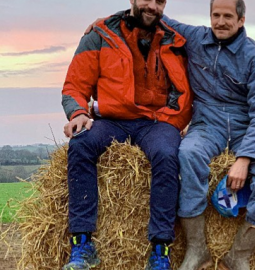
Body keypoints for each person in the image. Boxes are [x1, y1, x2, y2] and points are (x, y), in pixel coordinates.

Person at [61, 0, 192, 269]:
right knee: (81, 145)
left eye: (160, 1)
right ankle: (82, 245)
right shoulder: (101, 33)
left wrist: (175, 121)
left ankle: (160, 250)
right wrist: (78, 114)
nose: (152, 5)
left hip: (156, 122)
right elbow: (75, 84)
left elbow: (185, 92)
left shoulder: (176, 39)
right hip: (111, 120)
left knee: (168, 155)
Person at [163, 0, 255, 269]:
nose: (220, 22)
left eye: (227, 16)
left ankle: (239, 255)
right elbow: (157, 17)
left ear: (241, 20)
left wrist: (244, 159)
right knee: (188, 154)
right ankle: (197, 251)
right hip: (207, 124)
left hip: (247, 127)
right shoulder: (196, 38)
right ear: (209, 16)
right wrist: (106, 24)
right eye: (216, 15)